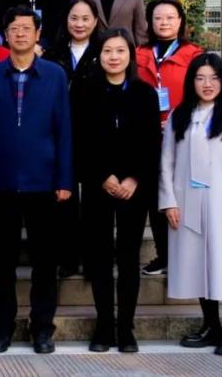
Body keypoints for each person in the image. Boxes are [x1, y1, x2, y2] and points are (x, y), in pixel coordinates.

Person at [0, 6, 72, 354]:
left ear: (38, 34)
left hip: (44, 183)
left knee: (45, 263)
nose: (20, 34)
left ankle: (42, 328)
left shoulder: (55, 75)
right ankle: (1, 327)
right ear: (5, 35)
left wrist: (64, 178)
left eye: (26, 28)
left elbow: (64, 130)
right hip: (1, 183)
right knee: (1, 263)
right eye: (13, 28)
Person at [71, 29, 161, 353]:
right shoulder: (85, 91)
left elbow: (151, 143)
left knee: (128, 257)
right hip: (98, 187)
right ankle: (104, 326)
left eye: (120, 51)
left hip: (133, 189)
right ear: (99, 55)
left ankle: (126, 327)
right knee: (99, 257)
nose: (114, 57)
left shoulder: (144, 93)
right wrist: (101, 176)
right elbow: (79, 140)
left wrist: (134, 178)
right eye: (108, 51)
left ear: (130, 56)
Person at [160, 53, 222, 357]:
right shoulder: (180, 116)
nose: (207, 84)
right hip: (187, 200)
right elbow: (167, 162)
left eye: (214, 78)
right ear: (192, 82)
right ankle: (211, 324)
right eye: (200, 78)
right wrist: (169, 201)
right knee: (198, 264)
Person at [136, 0, 205, 277]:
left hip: (182, 135)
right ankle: (164, 255)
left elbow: (203, 94)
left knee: (183, 196)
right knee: (156, 197)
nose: (163, 22)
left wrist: (181, 121)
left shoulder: (194, 55)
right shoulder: (139, 54)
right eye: (158, 18)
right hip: (148, 137)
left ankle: (187, 255)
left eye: (170, 17)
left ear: (180, 21)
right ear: (150, 22)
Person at [43, 0, 101, 278]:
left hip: (94, 135)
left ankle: (92, 260)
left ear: (95, 21)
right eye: (74, 18)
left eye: (85, 18)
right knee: (63, 200)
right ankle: (66, 258)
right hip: (59, 135)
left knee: (93, 202)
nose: (79, 24)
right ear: (65, 21)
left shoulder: (104, 52)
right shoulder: (52, 54)